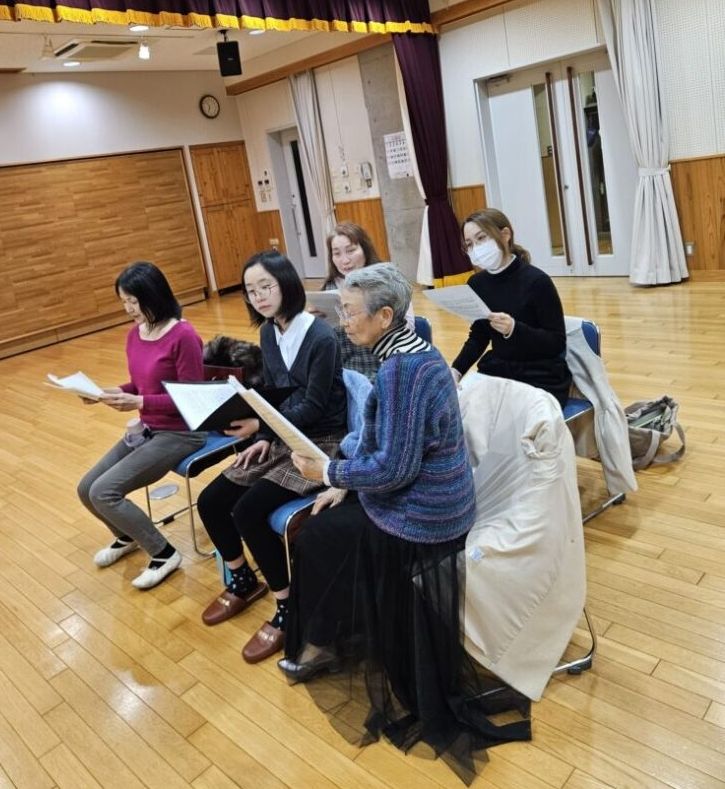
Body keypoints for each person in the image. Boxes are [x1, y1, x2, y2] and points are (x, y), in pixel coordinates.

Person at [282, 264, 531, 782]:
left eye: (350, 312)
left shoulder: (402, 371)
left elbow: (394, 469)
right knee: (327, 527)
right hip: (430, 499)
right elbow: (383, 441)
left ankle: (330, 640)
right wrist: (343, 477)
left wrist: (328, 471)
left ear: (384, 316)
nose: (343, 321)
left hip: (424, 515)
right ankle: (334, 636)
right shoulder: (413, 352)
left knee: (316, 537)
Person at [196, 250, 347, 665]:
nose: (259, 296)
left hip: (323, 441)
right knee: (211, 501)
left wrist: (260, 427)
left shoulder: (321, 336)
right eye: (251, 290)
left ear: (287, 285)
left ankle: (287, 605)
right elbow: (276, 395)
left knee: (247, 511)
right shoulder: (268, 332)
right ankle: (243, 580)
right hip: (282, 434)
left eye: (266, 286)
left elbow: (314, 406)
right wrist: (264, 434)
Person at [77, 262, 206, 589]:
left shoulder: (184, 336)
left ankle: (164, 553)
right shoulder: (136, 334)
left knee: (104, 492)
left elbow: (191, 398)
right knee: (86, 488)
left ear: (154, 295)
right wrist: (106, 393)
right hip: (148, 428)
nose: (128, 309)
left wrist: (140, 402)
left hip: (182, 432)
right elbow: (139, 385)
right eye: (124, 301)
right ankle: (127, 534)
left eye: (133, 301)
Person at [451, 208, 572, 408]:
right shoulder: (476, 283)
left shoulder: (537, 281)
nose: (476, 249)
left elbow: (556, 343)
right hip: (500, 370)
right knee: (462, 408)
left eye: (481, 238)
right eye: (469, 244)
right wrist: (456, 370)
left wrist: (515, 329)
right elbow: (479, 336)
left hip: (540, 374)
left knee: (507, 417)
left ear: (505, 235)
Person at [319, 222, 413, 380]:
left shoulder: (389, 280)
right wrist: (317, 323)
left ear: (365, 248)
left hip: (385, 367)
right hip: (344, 373)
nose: (345, 260)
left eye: (351, 250)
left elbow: (408, 327)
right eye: (337, 253)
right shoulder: (329, 288)